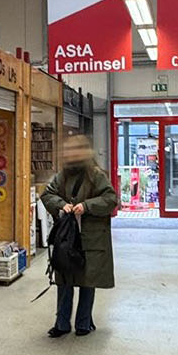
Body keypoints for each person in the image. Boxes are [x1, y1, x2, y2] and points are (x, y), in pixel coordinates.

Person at [38, 134, 118, 337]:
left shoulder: (96, 175)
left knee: (86, 281)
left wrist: (87, 206)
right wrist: (60, 205)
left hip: (90, 238)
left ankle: (83, 323)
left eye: (76, 150)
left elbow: (110, 198)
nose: (71, 154)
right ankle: (62, 323)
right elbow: (47, 194)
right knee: (64, 279)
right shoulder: (62, 175)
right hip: (67, 237)